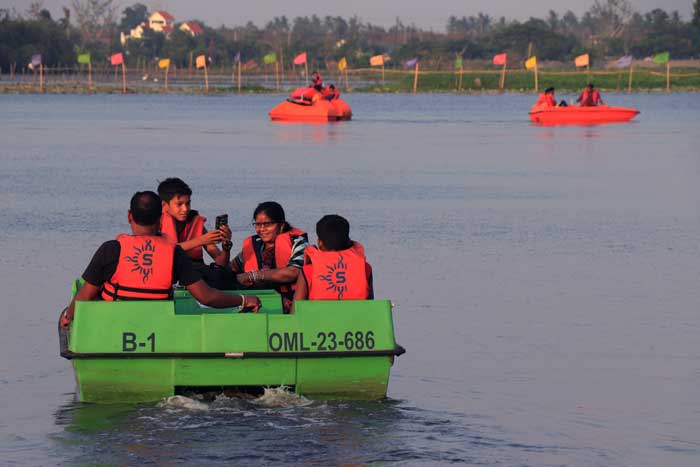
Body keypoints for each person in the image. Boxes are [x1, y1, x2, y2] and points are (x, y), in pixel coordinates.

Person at [59, 191, 261, 328]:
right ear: (160, 219)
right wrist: (244, 299)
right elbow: (206, 297)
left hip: (114, 327)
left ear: (130, 216)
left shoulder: (111, 249)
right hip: (158, 327)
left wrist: (68, 316)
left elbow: (84, 297)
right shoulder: (174, 253)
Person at [230, 202, 308, 312]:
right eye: (257, 224)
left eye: (267, 224)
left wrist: (253, 276)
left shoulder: (298, 242)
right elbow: (231, 268)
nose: (261, 229)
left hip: (289, 305)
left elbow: (294, 272)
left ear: (281, 225)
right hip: (257, 303)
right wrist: (226, 248)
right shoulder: (255, 245)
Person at [294, 214, 373, 304]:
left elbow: (297, 310)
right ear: (348, 241)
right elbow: (370, 305)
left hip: (319, 317)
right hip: (355, 318)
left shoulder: (308, 271)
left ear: (320, 243)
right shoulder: (365, 268)